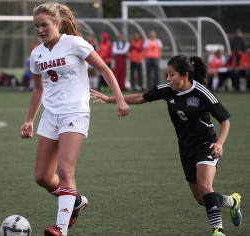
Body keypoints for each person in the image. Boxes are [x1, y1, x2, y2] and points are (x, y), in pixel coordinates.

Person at [91, 55, 242, 236]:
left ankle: (218, 230)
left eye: (172, 75)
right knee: (202, 199)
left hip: (206, 145)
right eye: (167, 74)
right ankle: (232, 202)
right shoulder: (166, 90)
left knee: (205, 186)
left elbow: (225, 120)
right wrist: (110, 99)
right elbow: (140, 97)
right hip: (185, 149)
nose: (168, 79)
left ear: (184, 75)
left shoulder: (201, 92)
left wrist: (219, 143)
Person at [20, 3, 130, 236]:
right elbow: (38, 90)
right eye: (36, 26)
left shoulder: (74, 43)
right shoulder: (37, 53)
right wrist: (29, 119)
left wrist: (119, 99)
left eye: (45, 25)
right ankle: (76, 201)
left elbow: (104, 69)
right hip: (50, 115)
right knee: (42, 177)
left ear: (57, 23)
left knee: (65, 170)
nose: (40, 30)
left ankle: (61, 229)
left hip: (75, 112)